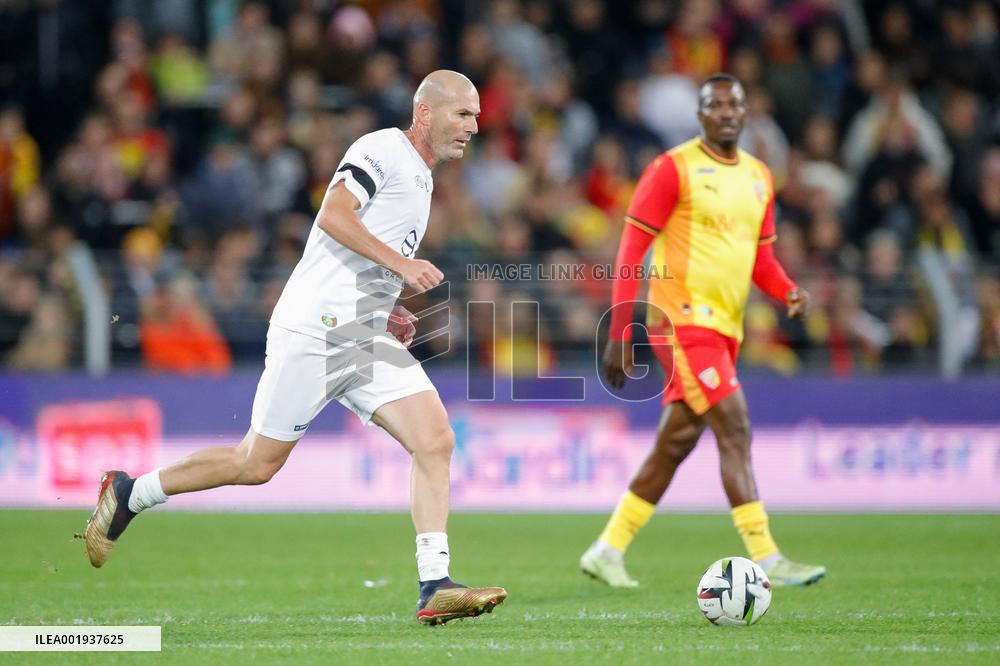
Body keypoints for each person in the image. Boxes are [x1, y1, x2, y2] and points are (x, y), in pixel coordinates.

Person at [79, 70, 507, 625]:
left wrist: (386, 305)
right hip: (318, 328)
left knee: (435, 439)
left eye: (476, 116)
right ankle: (131, 493)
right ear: (425, 113)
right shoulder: (383, 148)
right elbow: (333, 215)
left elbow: (360, 253)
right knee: (255, 463)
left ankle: (435, 584)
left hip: (362, 331)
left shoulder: (423, 180)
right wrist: (401, 266)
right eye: (463, 114)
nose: (474, 126)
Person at [579, 74, 826, 588]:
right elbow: (630, 251)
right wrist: (620, 331)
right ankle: (767, 557)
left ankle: (608, 549)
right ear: (700, 115)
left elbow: (760, 258)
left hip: (725, 328)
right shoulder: (673, 169)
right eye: (715, 105)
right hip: (680, 321)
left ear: (746, 111)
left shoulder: (759, 175)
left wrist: (787, 293)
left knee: (677, 441)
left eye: (735, 104)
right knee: (734, 425)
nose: (727, 113)